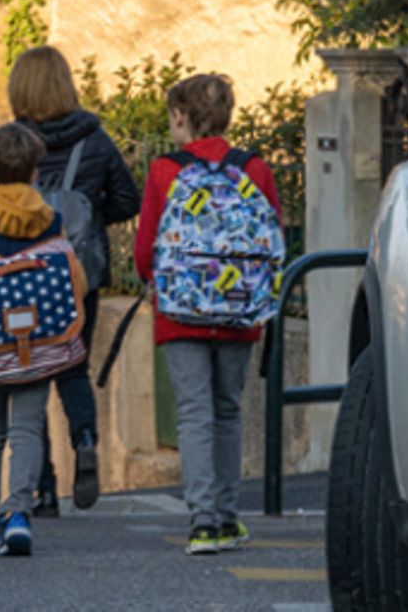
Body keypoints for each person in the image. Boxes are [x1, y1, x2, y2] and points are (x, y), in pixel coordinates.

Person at [133, 74, 281, 555]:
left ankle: (201, 520)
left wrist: (156, 283)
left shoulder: (164, 171)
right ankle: (227, 516)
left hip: (180, 312)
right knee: (228, 410)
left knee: (194, 413)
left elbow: (144, 249)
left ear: (182, 117)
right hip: (239, 311)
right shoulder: (255, 169)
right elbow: (274, 237)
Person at [7, 45, 142, 514]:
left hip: (21, 276)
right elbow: (129, 200)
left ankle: (43, 487)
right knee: (71, 367)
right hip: (77, 274)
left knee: (30, 374)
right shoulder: (96, 139)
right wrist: (90, 214)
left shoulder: (11, 141)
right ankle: (85, 442)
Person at [0, 123, 80, 557]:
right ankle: (19, 512)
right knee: (27, 427)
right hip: (38, 342)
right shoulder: (50, 222)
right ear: (34, 176)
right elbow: (72, 277)